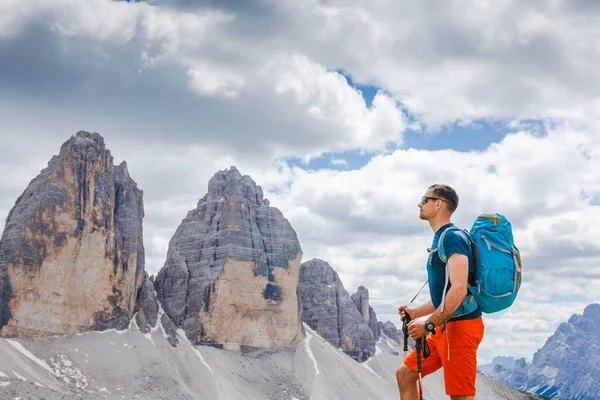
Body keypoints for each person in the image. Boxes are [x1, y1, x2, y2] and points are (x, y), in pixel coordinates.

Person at [396, 184, 484, 400]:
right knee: (406, 374)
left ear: (438, 204)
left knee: (459, 396)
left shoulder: (453, 238)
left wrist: (428, 324)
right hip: (444, 326)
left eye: (424, 199)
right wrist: (416, 313)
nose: (419, 203)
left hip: (460, 328)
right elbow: (443, 296)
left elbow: (459, 289)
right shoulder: (441, 238)